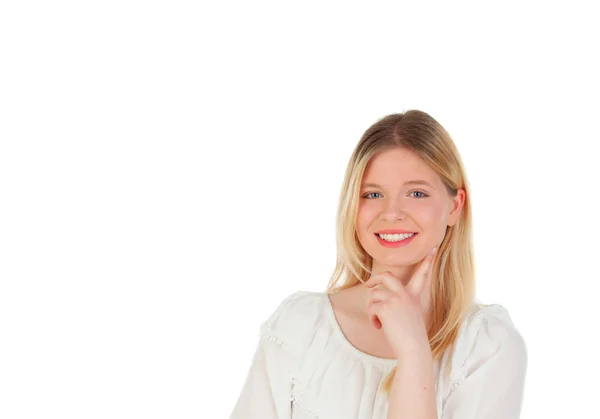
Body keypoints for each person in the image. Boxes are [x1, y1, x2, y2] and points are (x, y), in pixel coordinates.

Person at [229, 110, 528, 419]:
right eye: (373, 194)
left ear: (455, 206)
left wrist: (414, 352)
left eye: (416, 193)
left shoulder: (487, 346)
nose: (391, 212)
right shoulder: (301, 327)